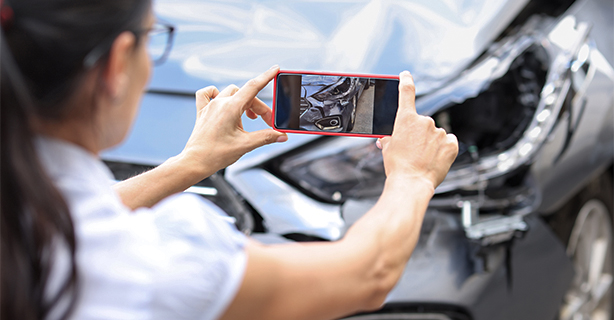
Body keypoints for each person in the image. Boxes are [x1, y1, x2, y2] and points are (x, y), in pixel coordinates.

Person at [0, 0, 458, 319]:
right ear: (117, 64)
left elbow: (63, 216)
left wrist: (189, 164)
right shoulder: (154, 262)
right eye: (151, 37)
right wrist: (413, 176)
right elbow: (367, 274)